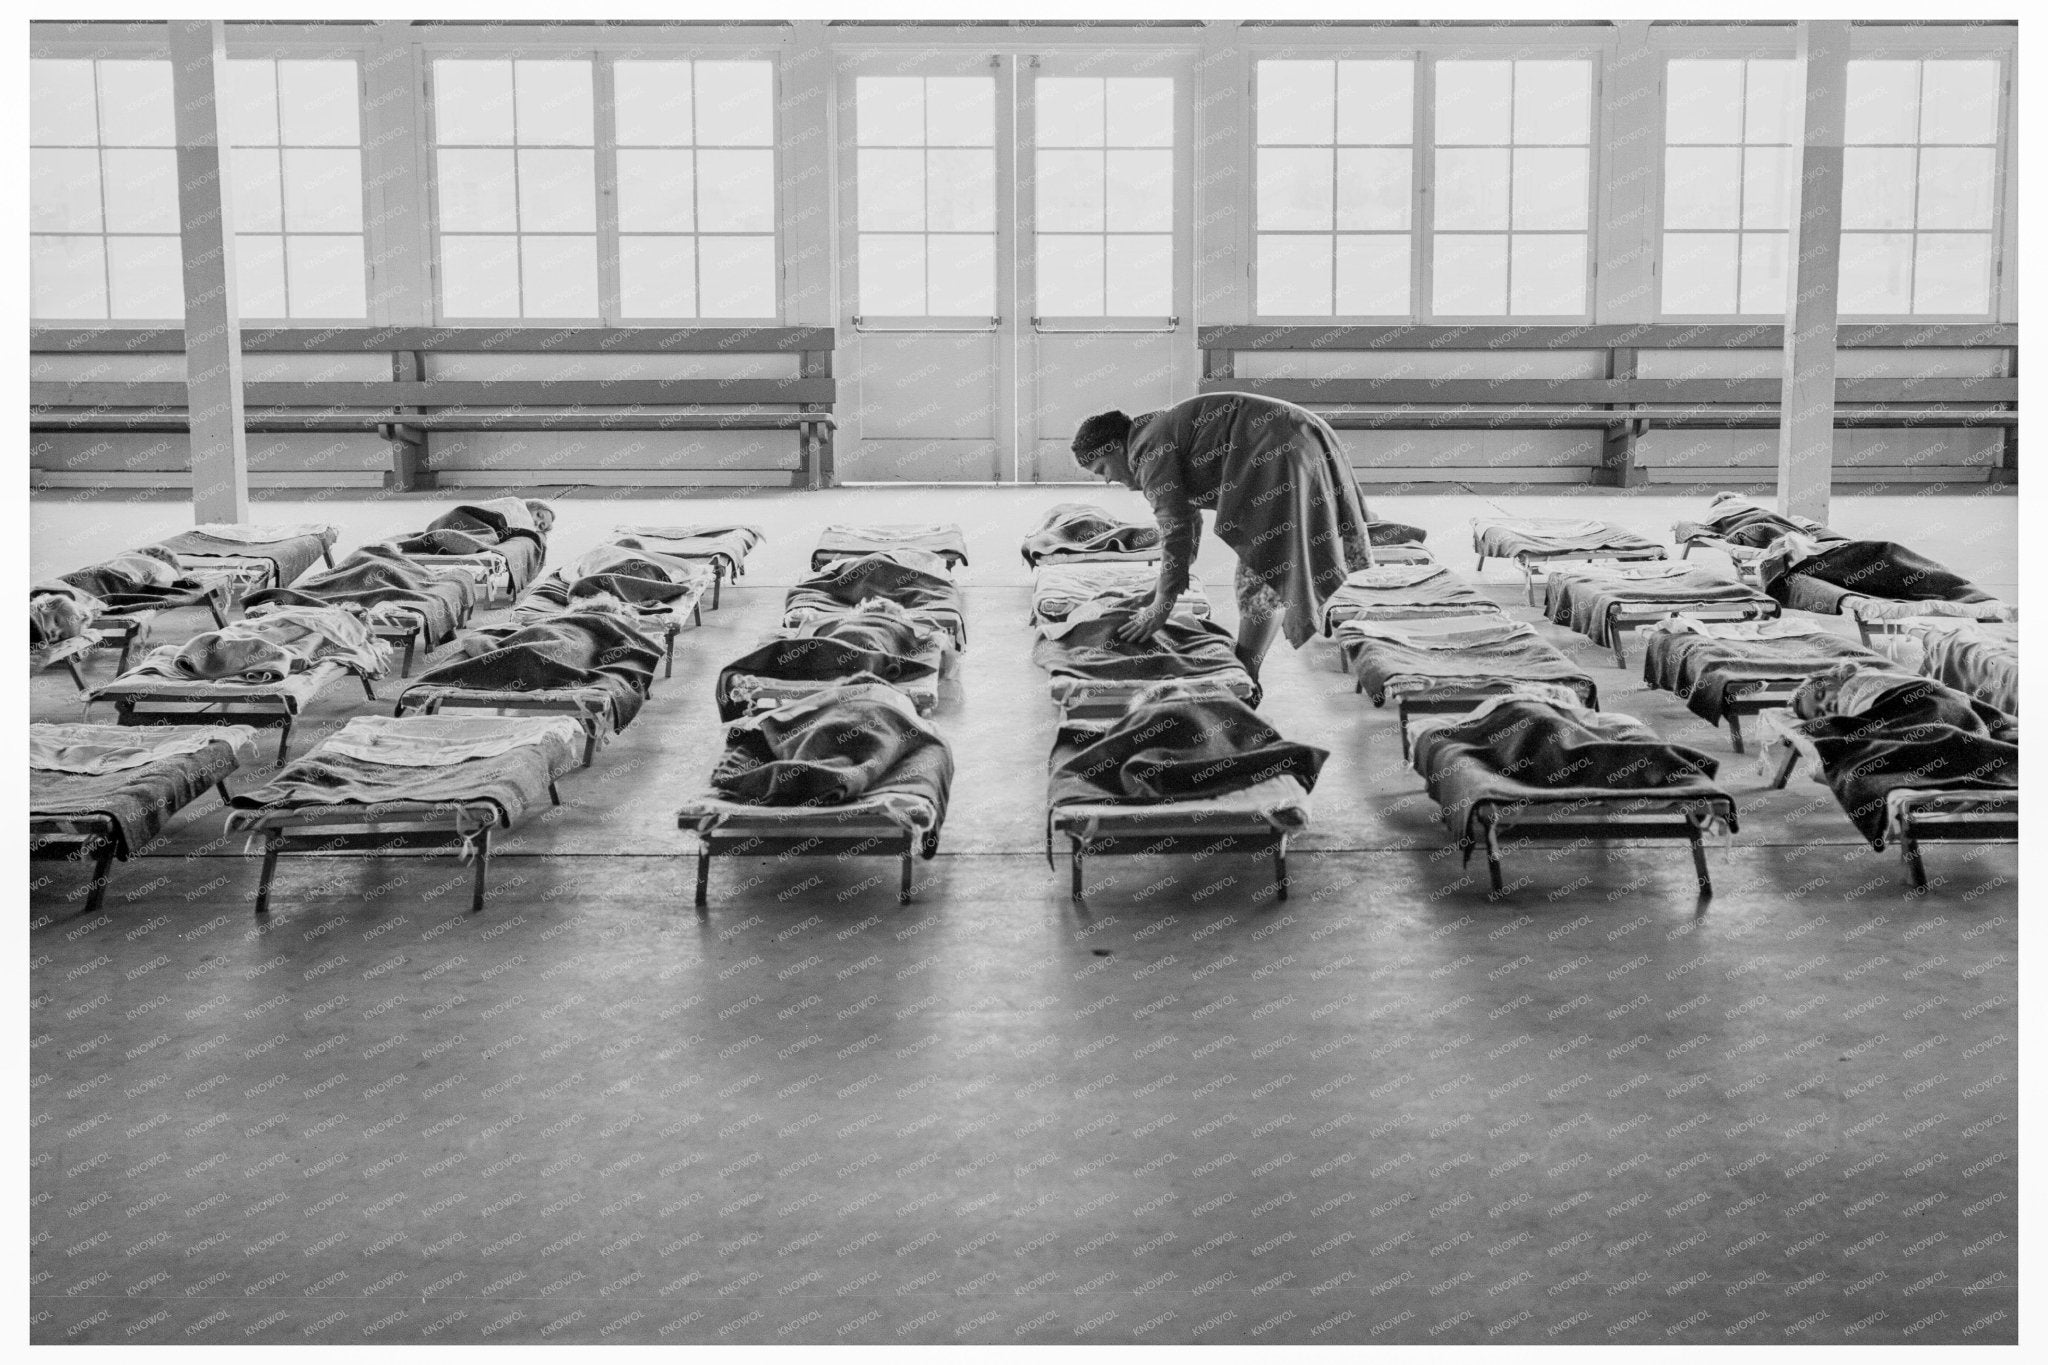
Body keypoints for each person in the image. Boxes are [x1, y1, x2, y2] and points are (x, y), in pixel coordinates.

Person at [1070, 392, 1377, 680]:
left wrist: (1162, 605)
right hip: (1301, 435)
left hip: (1281, 449)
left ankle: (1245, 675)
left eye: (1102, 469)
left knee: (1258, 575)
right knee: (1267, 574)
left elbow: (1175, 526)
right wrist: (1161, 590)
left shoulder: (1147, 450)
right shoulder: (1153, 433)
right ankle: (1247, 670)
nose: (1107, 480)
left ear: (1115, 448)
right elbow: (1187, 517)